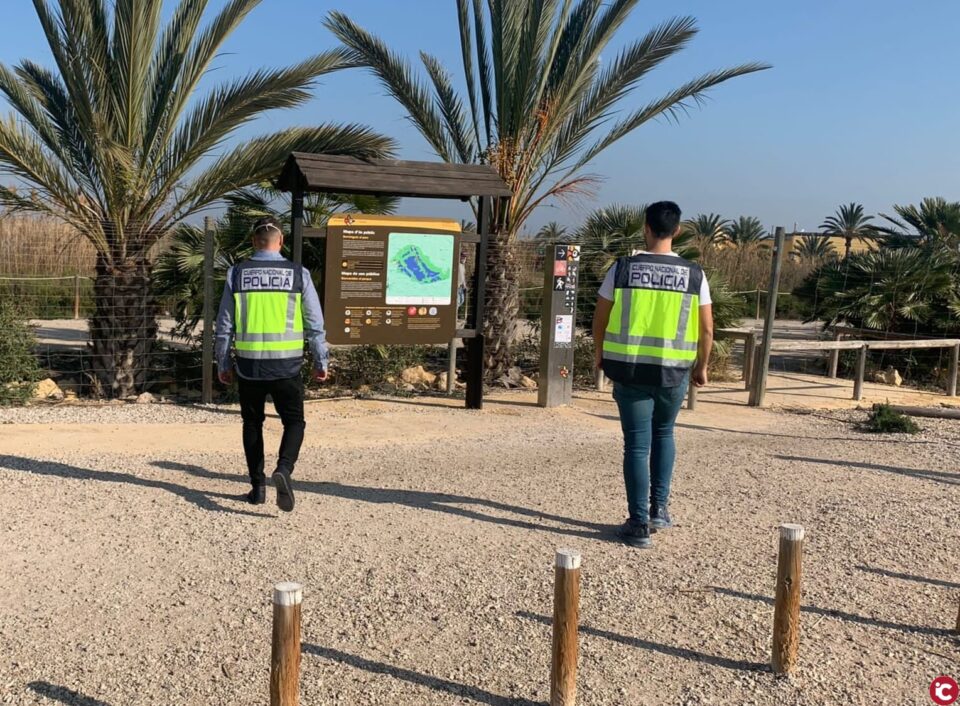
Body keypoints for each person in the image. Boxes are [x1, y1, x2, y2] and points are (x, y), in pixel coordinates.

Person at [593, 201, 714, 548]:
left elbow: (601, 316)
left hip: (629, 368)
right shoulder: (694, 274)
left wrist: (600, 354)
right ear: (677, 231)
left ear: (644, 228)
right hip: (673, 372)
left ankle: (638, 524)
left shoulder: (623, 268)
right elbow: (707, 328)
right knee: (664, 433)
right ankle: (659, 509)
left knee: (636, 444)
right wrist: (702, 367)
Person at [215, 217, 329, 512]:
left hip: (249, 366)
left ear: (254, 241)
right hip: (287, 367)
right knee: (294, 422)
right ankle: (284, 469)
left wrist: (223, 361)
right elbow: (315, 323)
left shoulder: (237, 273)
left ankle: (257, 488)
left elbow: (224, 324)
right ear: (280, 242)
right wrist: (320, 360)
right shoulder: (298, 274)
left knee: (252, 423)